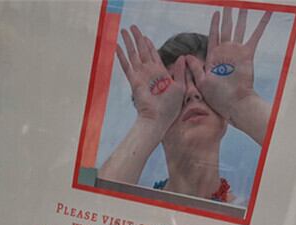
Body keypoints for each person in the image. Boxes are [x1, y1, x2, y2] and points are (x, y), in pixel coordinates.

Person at [98, 7, 272, 205]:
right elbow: (95, 208)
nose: (191, 92)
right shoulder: (135, 204)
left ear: (225, 110)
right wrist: (150, 119)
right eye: (175, 85)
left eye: (201, 80)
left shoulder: (253, 211)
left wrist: (242, 101)